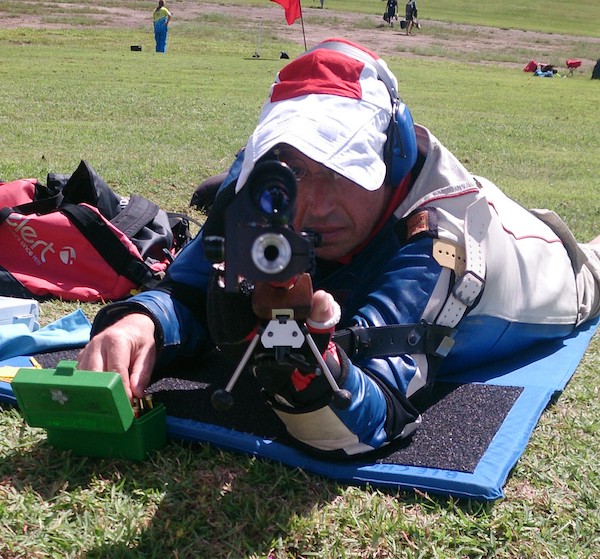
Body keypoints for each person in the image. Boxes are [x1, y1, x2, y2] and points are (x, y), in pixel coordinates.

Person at [78, 38, 600, 458]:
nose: (316, 204)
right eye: (299, 168)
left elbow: (367, 418)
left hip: (554, 265)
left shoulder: (443, 236)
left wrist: (308, 370)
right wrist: (141, 323)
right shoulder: (261, 182)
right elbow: (189, 289)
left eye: (345, 170)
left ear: (391, 156)